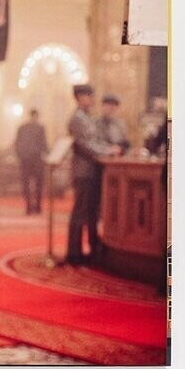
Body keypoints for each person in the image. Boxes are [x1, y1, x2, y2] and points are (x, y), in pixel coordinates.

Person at [65, 84, 120, 266]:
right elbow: (86, 145)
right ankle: (73, 253)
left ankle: (90, 250)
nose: (92, 99)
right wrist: (109, 151)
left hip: (92, 170)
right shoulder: (77, 118)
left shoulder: (87, 117)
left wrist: (109, 148)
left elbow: (96, 141)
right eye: (88, 96)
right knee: (80, 212)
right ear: (79, 97)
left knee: (90, 213)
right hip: (83, 171)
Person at [14, 108, 48, 214]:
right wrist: (46, 155)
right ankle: (37, 207)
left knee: (27, 184)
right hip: (36, 159)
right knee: (38, 184)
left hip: (25, 160)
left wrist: (20, 155)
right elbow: (44, 144)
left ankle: (29, 207)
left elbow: (17, 144)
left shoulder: (22, 128)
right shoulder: (40, 128)